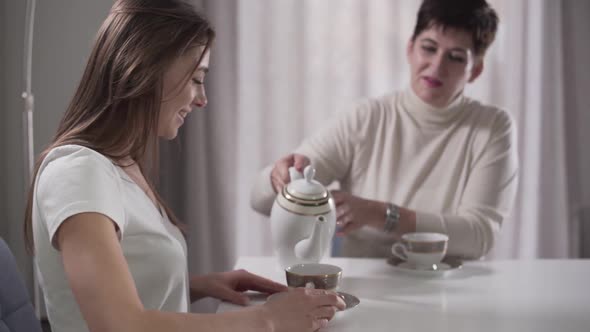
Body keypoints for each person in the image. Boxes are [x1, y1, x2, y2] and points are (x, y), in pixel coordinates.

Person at [24, 1, 344, 331]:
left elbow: (116, 285)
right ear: (143, 69)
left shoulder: (118, 166)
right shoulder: (78, 174)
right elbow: (118, 324)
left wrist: (195, 285)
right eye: (196, 78)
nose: (202, 99)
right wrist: (268, 320)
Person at [251, 0, 518, 260]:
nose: (437, 66)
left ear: (476, 70)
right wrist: (278, 180)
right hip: (367, 288)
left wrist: (382, 215)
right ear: (410, 49)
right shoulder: (366, 118)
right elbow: (260, 200)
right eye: (429, 48)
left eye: (456, 57)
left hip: (452, 289)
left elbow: (478, 236)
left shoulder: (493, 128)